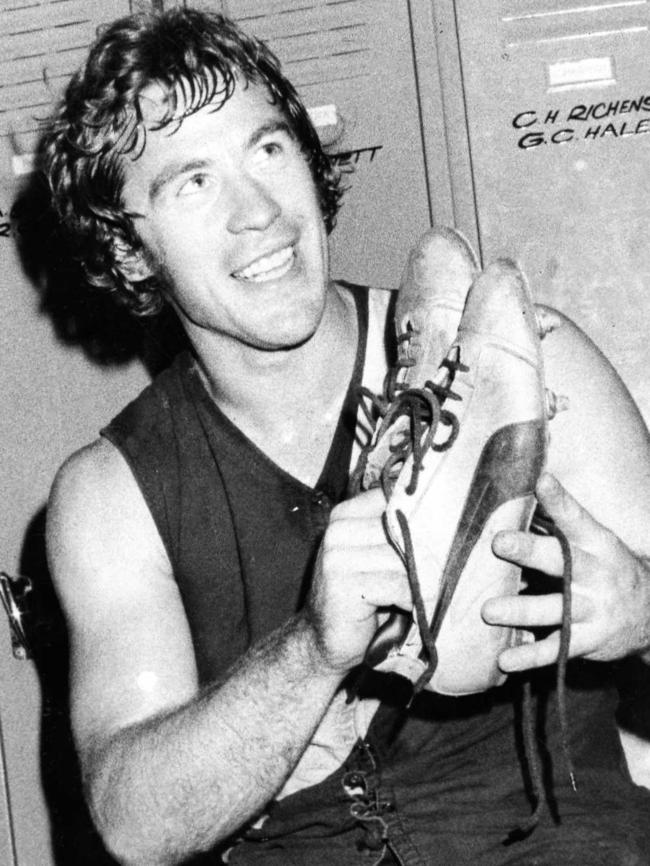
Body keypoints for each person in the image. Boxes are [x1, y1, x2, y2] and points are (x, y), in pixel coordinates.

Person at [42, 7, 650, 865]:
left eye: (267, 148)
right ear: (127, 248)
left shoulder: (530, 362)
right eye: (193, 182)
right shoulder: (112, 495)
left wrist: (643, 612)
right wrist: (313, 649)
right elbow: (135, 824)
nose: (258, 212)